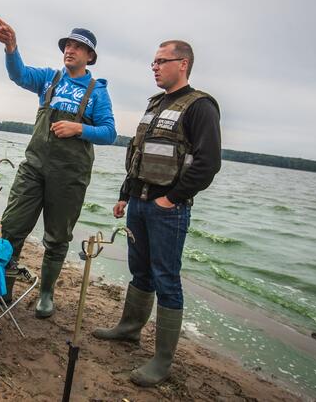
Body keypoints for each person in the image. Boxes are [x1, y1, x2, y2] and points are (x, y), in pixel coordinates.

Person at [93, 40, 221, 386]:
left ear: (183, 64)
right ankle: (129, 329)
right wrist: (125, 195)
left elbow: (208, 163)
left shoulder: (200, 106)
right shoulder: (154, 104)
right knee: (140, 271)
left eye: (161, 61)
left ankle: (162, 361)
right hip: (139, 203)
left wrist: (173, 198)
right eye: (153, 61)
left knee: (166, 278)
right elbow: (139, 154)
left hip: (168, 209)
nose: (154, 67)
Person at [0, 13, 117, 318]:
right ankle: (5, 288)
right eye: (67, 45)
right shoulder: (49, 78)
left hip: (70, 176)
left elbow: (110, 132)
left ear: (90, 56)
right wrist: (11, 48)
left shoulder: (97, 92)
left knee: (58, 238)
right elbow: (18, 74)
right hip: (34, 167)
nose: (70, 50)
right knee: (12, 227)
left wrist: (79, 129)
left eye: (78, 47)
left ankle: (46, 293)